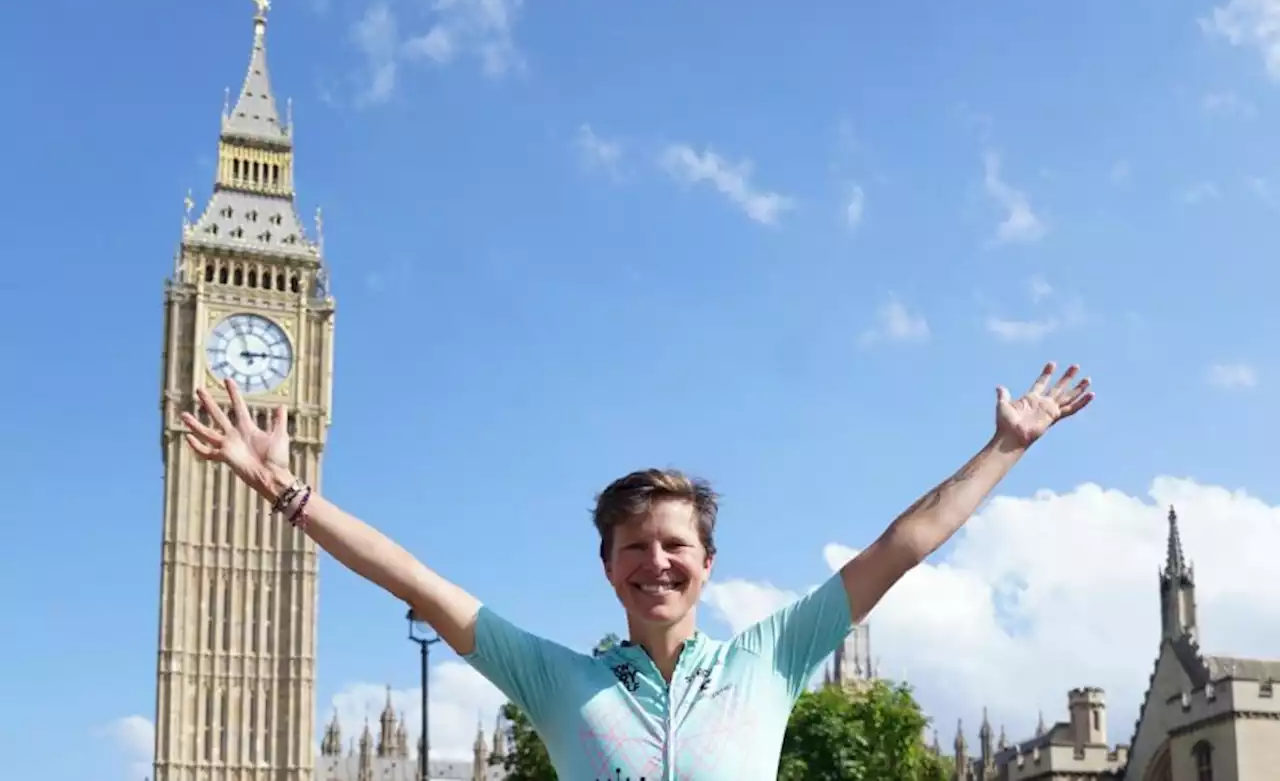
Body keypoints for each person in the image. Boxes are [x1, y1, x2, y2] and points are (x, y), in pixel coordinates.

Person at [183, 361, 1093, 780]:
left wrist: (1003, 448)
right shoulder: (556, 679)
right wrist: (285, 488)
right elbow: (418, 580)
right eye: (634, 547)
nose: (655, 561)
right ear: (608, 568)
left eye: (673, 545)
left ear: (706, 562)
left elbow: (907, 541)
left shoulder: (769, 658)